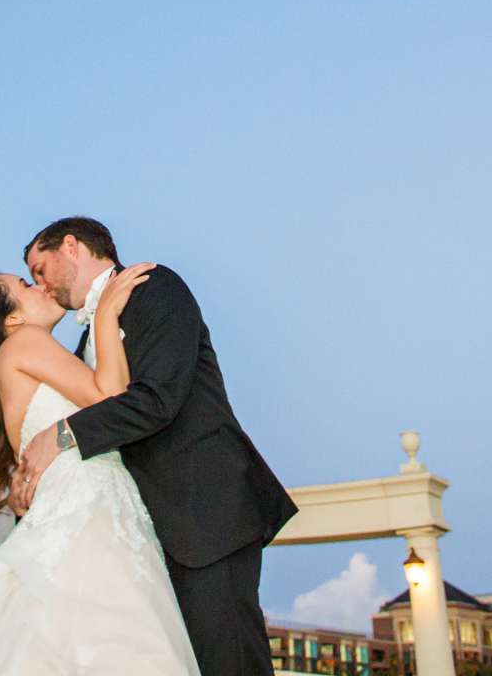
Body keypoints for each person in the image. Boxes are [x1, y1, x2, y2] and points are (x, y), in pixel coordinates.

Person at [15, 216, 296, 676]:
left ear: (70, 246)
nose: (40, 284)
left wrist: (64, 434)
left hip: (204, 515)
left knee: (229, 664)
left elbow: (158, 399)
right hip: (146, 537)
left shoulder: (155, 287)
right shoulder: (87, 338)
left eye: (39, 267)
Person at [0, 261, 198, 676]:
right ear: (13, 317)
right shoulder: (24, 342)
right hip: (88, 511)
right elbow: (111, 394)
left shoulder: (26, 359)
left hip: (86, 504)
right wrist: (107, 315)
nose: (39, 285)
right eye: (25, 284)